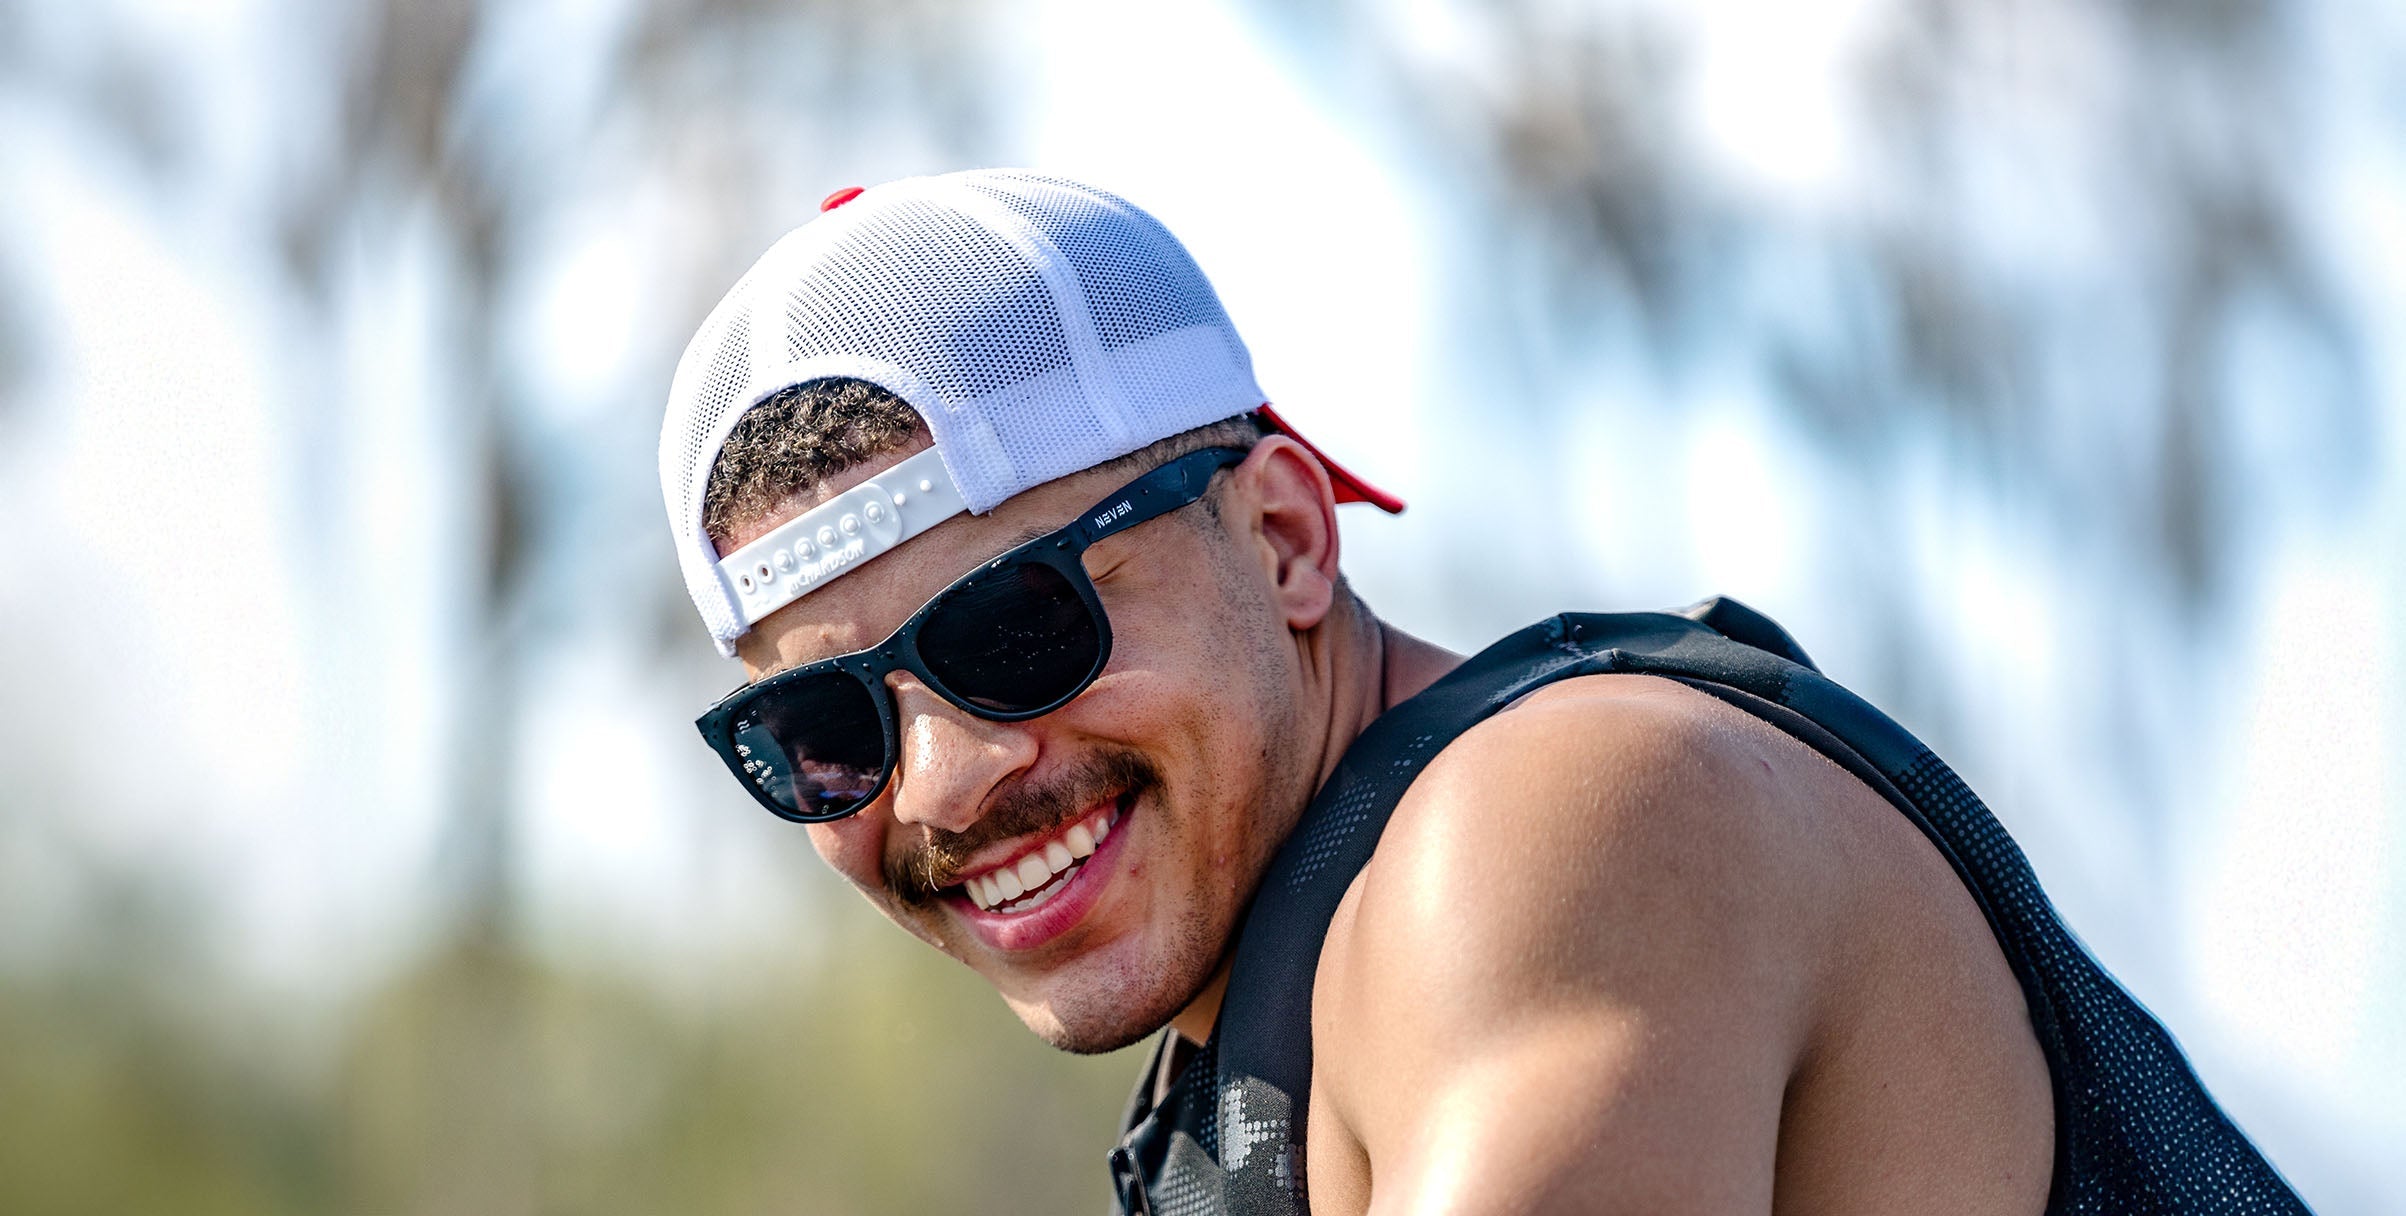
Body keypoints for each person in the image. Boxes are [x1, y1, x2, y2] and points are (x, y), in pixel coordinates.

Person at [657, 170, 2308, 1215]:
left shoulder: (1542, 835)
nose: (945, 784)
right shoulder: (1269, 1044)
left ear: (1285, 540)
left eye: (1018, 631)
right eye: (825, 731)